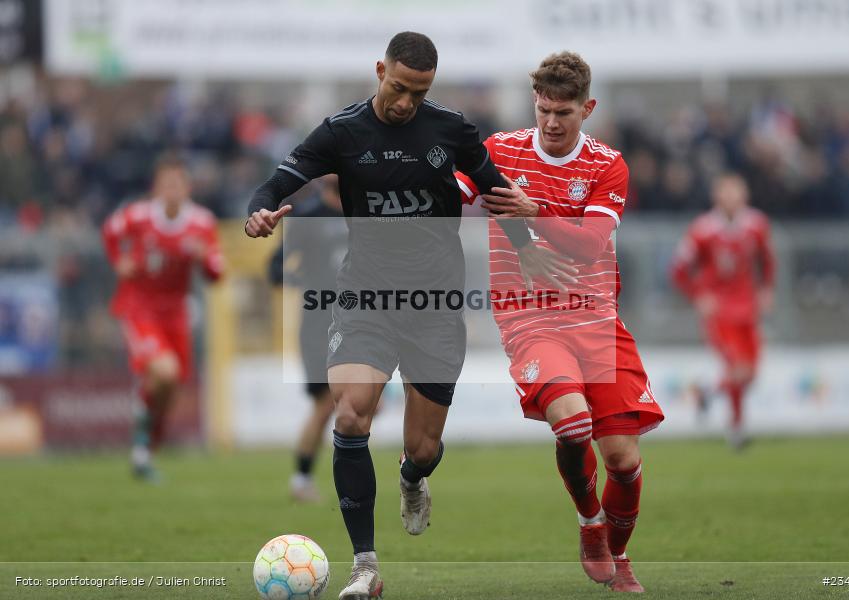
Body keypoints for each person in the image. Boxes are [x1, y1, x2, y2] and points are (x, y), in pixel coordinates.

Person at [245, 32, 569, 600]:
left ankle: (412, 477)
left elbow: (493, 188)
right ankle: (365, 566)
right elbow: (277, 181)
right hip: (366, 297)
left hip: (435, 305)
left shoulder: (451, 130)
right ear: (380, 71)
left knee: (422, 448)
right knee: (350, 414)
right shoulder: (342, 132)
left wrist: (526, 247)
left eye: (418, 93)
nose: (405, 103)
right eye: (398, 88)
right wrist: (260, 212)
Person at [455, 51, 664, 593]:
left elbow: (593, 242)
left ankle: (617, 557)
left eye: (563, 112)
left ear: (587, 108)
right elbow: (452, 193)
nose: (550, 121)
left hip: (596, 320)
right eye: (544, 109)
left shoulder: (606, 164)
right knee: (572, 425)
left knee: (623, 459)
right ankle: (590, 521)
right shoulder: (499, 152)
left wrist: (534, 213)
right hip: (530, 319)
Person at [102, 154, 225, 480]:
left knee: (169, 390)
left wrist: (206, 260)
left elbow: (217, 273)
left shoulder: (201, 222)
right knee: (165, 372)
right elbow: (110, 232)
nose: (172, 190)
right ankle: (142, 445)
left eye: (178, 183)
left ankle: (144, 452)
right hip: (138, 307)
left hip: (176, 313)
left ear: (187, 188)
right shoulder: (138, 217)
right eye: (166, 184)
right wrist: (120, 261)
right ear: (156, 188)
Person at [671, 172, 775, 449]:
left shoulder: (756, 225)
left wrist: (766, 290)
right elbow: (679, 269)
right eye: (726, 193)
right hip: (719, 313)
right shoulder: (702, 230)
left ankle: (706, 393)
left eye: (736, 193)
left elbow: (767, 260)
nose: (731, 199)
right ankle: (737, 431)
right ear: (717, 197)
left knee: (750, 373)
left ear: (745, 196)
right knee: (737, 369)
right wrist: (699, 296)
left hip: (748, 309)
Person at [268, 175, 346, 502]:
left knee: (355, 401)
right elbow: (274, 268)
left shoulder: (367, 208)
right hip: (318, 325)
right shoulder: (306, 216)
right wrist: (306, 281)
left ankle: (313, 479)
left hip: (360, 321)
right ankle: (301, 479)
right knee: (326, 404)